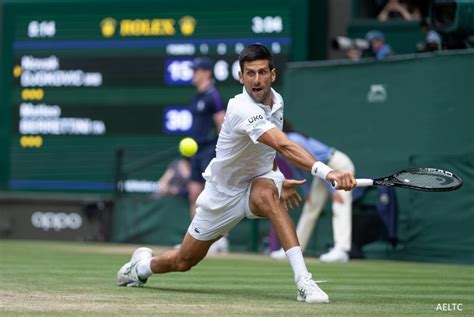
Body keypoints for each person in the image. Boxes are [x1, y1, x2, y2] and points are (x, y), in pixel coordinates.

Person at [116, 44, 356, 303]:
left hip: (258, 181)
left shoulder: (277, 102)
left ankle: (304, 282)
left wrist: (276, 179)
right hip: (223, 194)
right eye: (250, 73)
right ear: (241, 77)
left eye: (263, 72)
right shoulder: (240, 107)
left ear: (273, 75)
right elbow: (282, 144)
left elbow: (266, 153)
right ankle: (140, 268)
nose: (257, 80)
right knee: (183, 260)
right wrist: (329, 173)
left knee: (268, 197)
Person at [270, 121, 355, 263]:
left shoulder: (294, 140)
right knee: (311, 207)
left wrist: (333, 191)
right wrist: (307, 190)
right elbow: (299, 167)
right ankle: (295, 250)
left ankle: (342, 250)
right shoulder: (279, 145)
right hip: (324, 173)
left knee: (340, 203)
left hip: (339, 165)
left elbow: (318, 163)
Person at [188, 56, 228, 253]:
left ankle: (217, 240)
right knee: (193, 194)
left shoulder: (214, 95)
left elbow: (221, 122)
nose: (193, 74)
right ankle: (193, 241)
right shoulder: (196, 96)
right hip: (195, 152)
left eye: (196, 71)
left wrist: (220, 152)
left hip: (209, 151)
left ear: (206, 73)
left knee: (209, 196)